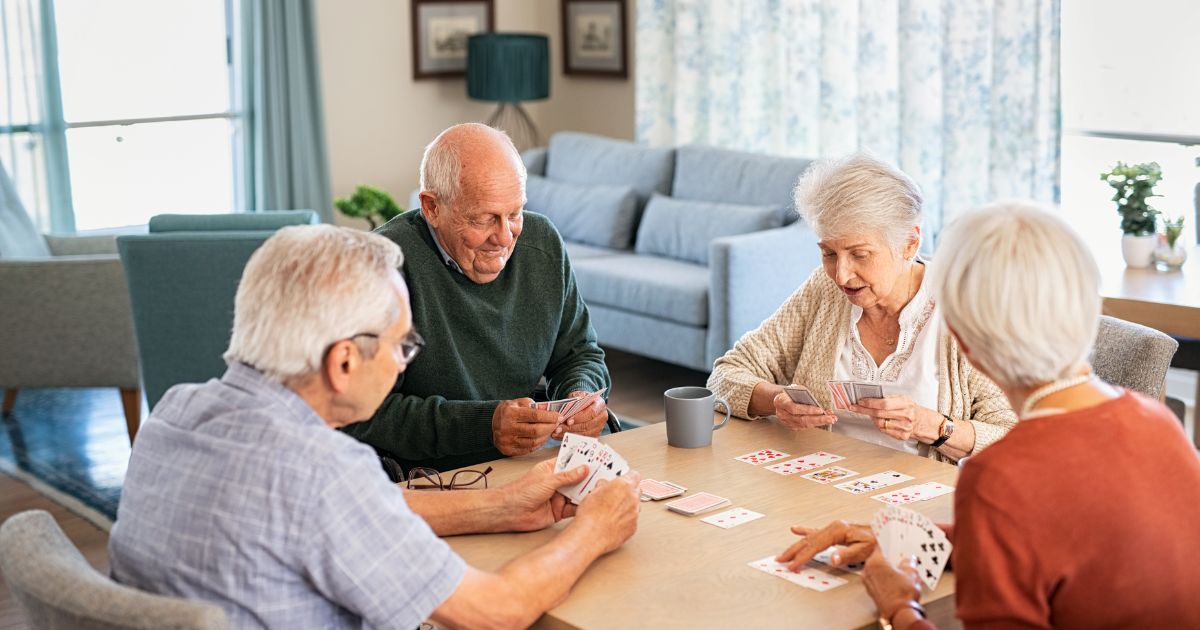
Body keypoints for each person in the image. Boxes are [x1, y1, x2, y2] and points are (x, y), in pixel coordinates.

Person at [108, 225, 641, 629]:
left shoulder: (173, 413)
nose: (404, 362)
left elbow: (341, 517)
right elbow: (496, 612)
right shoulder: (324, 472)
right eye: (402, 344)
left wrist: (504, 504)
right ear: (343, 362)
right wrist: (595, 531)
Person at [775, 203, 1200, 629]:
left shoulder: (1001, 476)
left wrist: (898, 607)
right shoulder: (1160, 423)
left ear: (963, 341)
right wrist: (917, 539)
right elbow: (1062, 537)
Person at [707, 153, 1014, 462]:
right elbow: (724, 377)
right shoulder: (826, 291)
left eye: (860, 254)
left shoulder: (964, 306)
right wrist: (775, 400)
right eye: (828, 253)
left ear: (910, 243)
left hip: (922, 499)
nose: (841, 275)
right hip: (821, 483)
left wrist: (934, 426)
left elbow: (1014, 437)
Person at [344, 123, 611, 473]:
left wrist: (582, 396)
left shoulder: (541, 242)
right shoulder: (383, 267)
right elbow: (363, 413)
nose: (504, 237)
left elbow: (581, 354)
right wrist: (483, 426)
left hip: (529, 463)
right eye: (483, 219)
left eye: (514, 214)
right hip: (425, 479)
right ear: (431, 207)